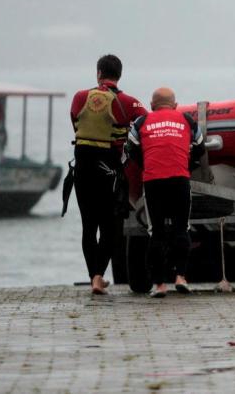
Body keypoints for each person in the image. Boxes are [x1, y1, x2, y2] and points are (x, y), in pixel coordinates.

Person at [70, 55, 147, 295]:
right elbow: (146, 124)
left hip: (82, 170)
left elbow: (75, 122)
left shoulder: (80, 97)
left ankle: (94, 276)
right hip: (110, 173)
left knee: (88, 226)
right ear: (119, 75)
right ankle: (98, 277)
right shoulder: (129, 102)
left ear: (98, 73)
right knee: (111, 228)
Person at [125, 87, 205, 298]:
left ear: (152, 106)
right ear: (175, 105)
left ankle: (159, 285)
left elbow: (130, 148)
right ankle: (181, 277)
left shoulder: (142, 122)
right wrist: (188, 164)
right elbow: (200, 146)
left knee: (157, 232)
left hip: (153, 181)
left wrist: (146, 164)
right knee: (181, 229)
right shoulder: (187, 120)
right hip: (180, 178)